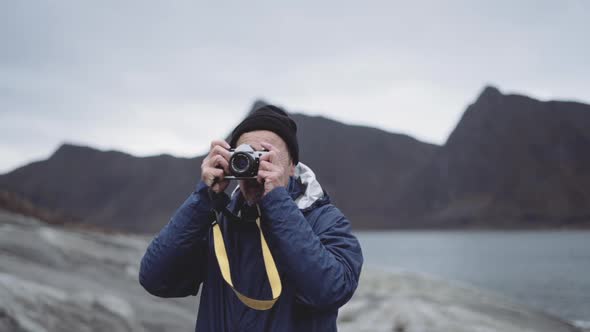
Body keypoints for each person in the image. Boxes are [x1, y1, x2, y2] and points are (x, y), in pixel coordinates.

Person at [139, 104, 363, 332]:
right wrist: (204, 197)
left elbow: (331, 291)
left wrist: (276, 202)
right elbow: (155, 279)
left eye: (266, 157)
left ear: (292, 166)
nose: (256, 167)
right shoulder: (219, 221)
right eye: (247, 156)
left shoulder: (326, 220)